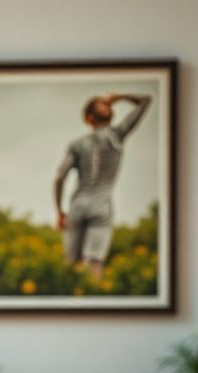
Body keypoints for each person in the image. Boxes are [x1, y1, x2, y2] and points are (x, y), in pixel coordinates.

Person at [53, 93, 151, 278]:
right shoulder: (117, 135)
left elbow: (59, 177)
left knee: (71, 262)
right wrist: (120, 97)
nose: (107, 107)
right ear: (89, 117)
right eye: (102, 105)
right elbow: (145, 101)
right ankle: (93, 299)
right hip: (101, 204)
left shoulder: (77, 144)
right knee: (95, 261)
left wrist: (59, 211)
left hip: (77, 205)